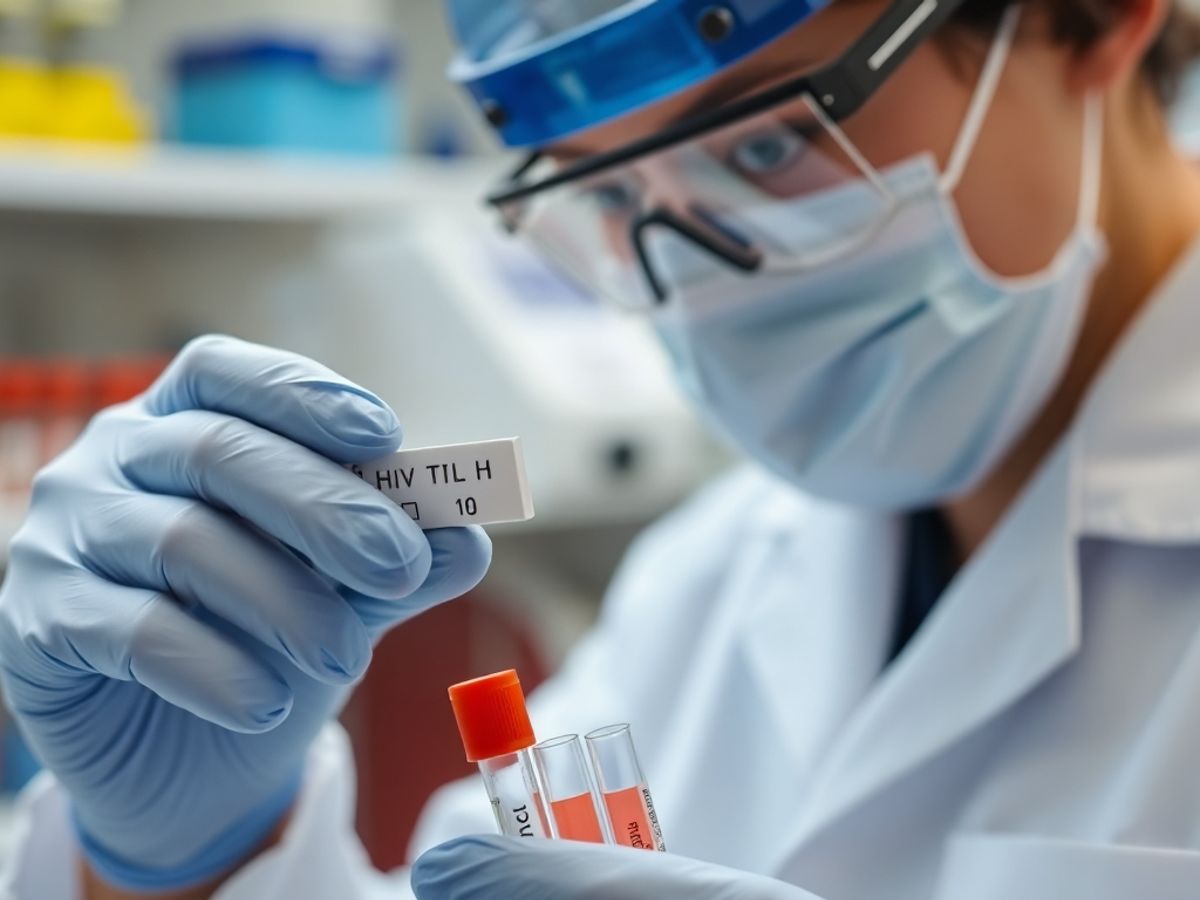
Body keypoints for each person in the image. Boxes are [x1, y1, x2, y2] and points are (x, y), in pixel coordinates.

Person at [3, 0, 1200, 896]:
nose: (697, 281)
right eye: (610, 196)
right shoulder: (710, 584)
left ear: (1083, 22)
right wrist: (185, 865)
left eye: (770, 144)